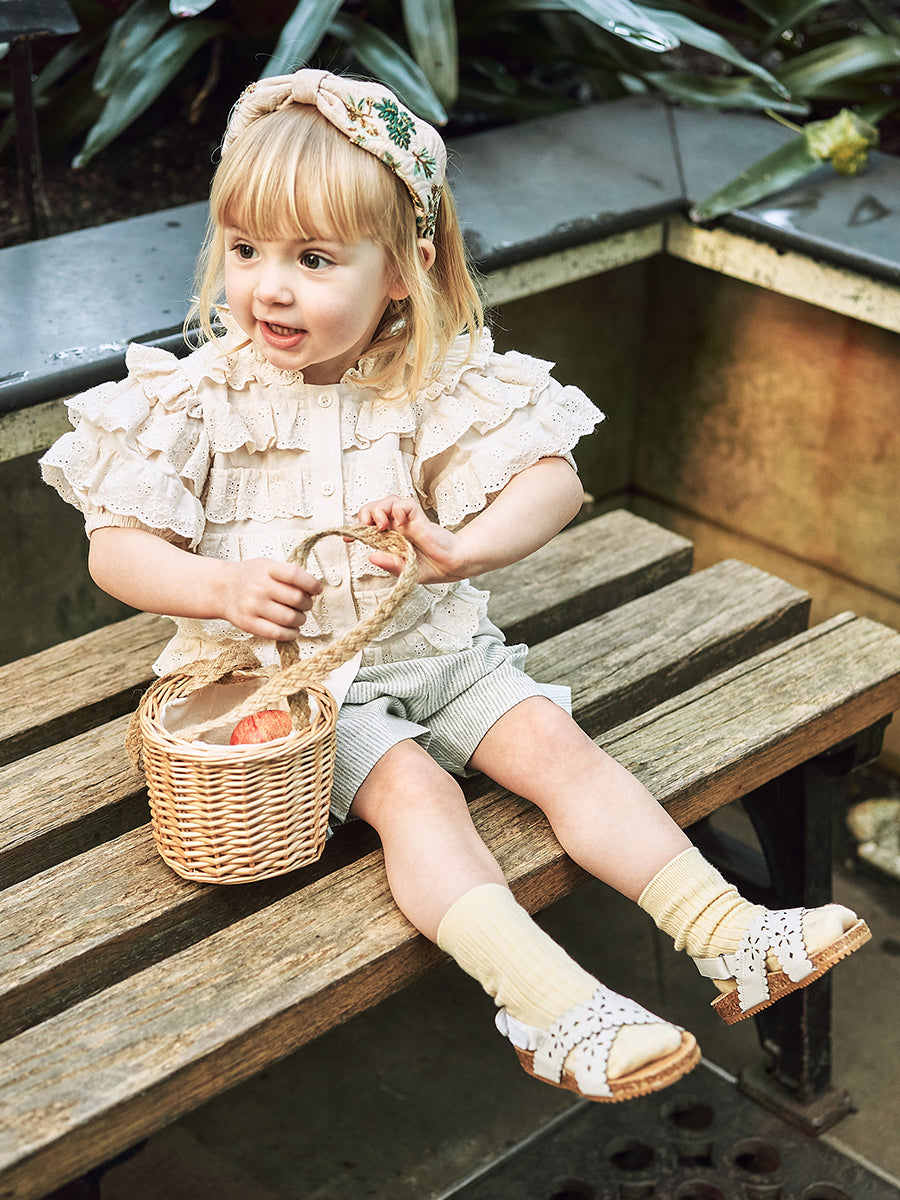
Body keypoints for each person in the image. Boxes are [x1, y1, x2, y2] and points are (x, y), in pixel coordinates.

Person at [40, 68, 870, 1104]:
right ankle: (549, 1006)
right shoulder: (199, 398)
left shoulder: (430, 379)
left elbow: (551, 480)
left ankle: (729, 934)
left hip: (441, 651)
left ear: (402, 271)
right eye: (246, 249)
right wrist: (218, 585)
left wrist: (462, 549)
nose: (270, 287)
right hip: (301, 692)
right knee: (418, 796)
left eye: (313, 259)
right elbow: (117, 550)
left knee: (561, 750)